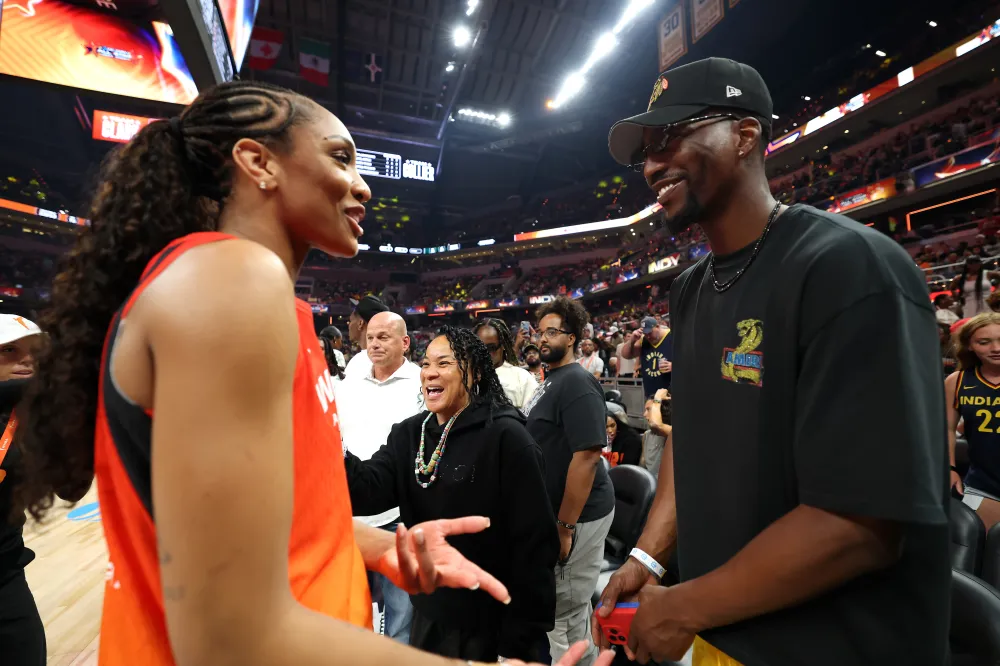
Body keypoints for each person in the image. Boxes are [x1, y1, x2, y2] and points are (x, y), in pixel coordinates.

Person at [12, 81, 598, 666]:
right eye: (340, 157)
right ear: (258, 162)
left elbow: (248, 526)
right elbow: (227, 635)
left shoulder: (252, 296)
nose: (363, 184)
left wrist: (372, 544)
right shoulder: (233, 282)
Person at [599, 57, 949, 665]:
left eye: (671, 137)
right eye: (645, 152)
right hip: (725, 631)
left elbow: (859, 525)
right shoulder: (689, 289)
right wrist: (650, 555)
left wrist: (685, 606)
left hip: (835, 647)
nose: (652, 164)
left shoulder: (848, 266)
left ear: (745, 135)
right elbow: (693, 431)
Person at [345, 327, 559, 662]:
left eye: (444, 363)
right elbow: (367, 490)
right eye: (426, 363)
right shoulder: (410, 434)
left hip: (494, 623)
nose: (429, 371)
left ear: (472, 372)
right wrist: (330, 446)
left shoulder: (507, 437)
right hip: (430, 616)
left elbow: (535, 545)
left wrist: (520, 639)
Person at [522, 296, 615, 666]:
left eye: (553, 332)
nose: (543, 339)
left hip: (579, 515)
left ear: (573, 337)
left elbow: (588, 456)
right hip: (558, 512)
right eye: (540, 332)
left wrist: (564, 526)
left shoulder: (576, 381)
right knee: (558, 614)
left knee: (565, 616)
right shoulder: (552, 379)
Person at [337, 311, 423, 643]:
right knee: (351, 604)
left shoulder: (421, 382)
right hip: (352, 511)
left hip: (397, 512)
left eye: (383, 337)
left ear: (404, 342)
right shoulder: (350, 384)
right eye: (370, 337)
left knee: (400, 610)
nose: (374, 344)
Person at [0, 314, 44, 666]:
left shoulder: (34, 414)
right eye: (10, 350)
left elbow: (73, 490)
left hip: (5, 570)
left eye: (34, 351)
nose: (26, 359)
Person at [947, 313, 1000, 529]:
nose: (996, 348)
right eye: (984, 342)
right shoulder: (957, 381)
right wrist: (949, 469)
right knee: (985, 556)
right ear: (970, 345)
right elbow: (946, 429)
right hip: (982, 485)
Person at [474, 318, 537, 410]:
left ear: (503, 345)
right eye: (480, 348)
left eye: (491, 348)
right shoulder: (469, 378)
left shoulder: (521, 377)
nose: (485, 353)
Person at [619, 316, 672, 397]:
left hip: (671, 392)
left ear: (658, 326)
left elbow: (690, 359)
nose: (648, 336)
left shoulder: (672, 335)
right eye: (645, 334)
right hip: (650, 393)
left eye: (650, 333)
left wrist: (675, 367)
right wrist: (632, 340)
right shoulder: (644, 339)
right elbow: (626, 355)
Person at [345, 295, 390, 380]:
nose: (349, 325)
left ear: (360, 324)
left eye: (350, 321)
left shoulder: (359, 362)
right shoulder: (391, 358)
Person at [639, 390, 671, 480]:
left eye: (649, 409)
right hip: (650, 487)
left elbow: (656, 424)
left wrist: (657, 399)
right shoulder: (646, 435)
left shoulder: (673, 432)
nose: (644, 414)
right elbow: (642, 465)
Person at [602, 403, 641, 468]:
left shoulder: (631, 440)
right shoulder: (595, 440)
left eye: (612, 426)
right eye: (605, 427)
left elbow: (627, 470)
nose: (610, 430)